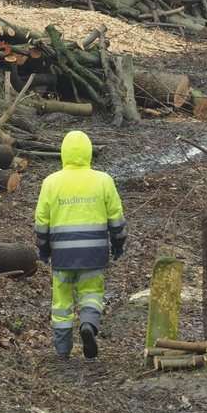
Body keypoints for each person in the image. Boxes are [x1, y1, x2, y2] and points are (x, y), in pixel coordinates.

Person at [34, 130, 126, 360]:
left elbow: (41, 221)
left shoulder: (51, 183)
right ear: (88, 153)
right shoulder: (103, 180)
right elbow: (116, 217)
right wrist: (118, 243)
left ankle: (63, 350)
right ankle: (88, 325)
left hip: (62, 254)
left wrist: (43, 250)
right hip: (93, 254)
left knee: (61, 303)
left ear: (63, 153)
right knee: (92, 293)